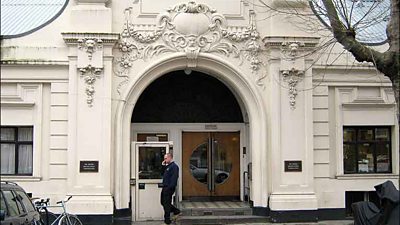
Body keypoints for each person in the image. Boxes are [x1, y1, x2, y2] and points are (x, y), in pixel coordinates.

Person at [161, 153, 181, 224]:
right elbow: (163, 174)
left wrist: (170, 187)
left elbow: (174, 178)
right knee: (163, 202)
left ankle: (167, 220)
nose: (165, 160)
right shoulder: (168, 166)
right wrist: (163, 166)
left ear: (170, 158)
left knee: (166, 203)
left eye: (166, 158)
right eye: (164, 158)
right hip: (165, 187)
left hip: (168, 188)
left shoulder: (174, 167)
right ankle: (176, 211)